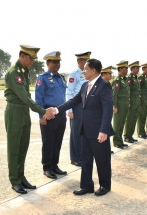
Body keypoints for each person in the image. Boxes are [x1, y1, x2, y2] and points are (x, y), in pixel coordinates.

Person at [54, 58, 114, 196]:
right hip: (85, 130)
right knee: (86, 160)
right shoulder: (85, 85)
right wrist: (57, 110)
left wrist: (104, 130)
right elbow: (73, 101)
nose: (83, 71)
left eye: (86, 69)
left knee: (102, 160)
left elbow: (108, 109)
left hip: (99, 131)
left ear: (93, 70)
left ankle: (105, 185)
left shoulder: (104, 85)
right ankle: (86, 186)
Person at [4, 44, 55, 194]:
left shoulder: (24, 71)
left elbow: (26, 98)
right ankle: (14, 180)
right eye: (31, 58)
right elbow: (25, 97)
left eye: (34, 58)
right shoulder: (14, 72)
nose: (33, 61)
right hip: (14, 111)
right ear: (22, 56)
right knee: (14, 148)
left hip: (24, 111)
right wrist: (43, 111)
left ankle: (21, 176)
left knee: (23, 146)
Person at [35, 51, 67, 179]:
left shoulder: (61, 78)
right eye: (54, 62)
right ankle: (47, 167)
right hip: (48, 114)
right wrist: (41, 116)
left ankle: (55, 165)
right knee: (48, 141)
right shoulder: (42, 78)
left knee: (57, 141)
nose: (57, 64)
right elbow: (38, 99)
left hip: (61, 113)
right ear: (47, 63)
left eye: (58, 62)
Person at [66, 52, 91, 167]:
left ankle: (82, 155)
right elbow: (69, 92)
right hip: (76, 106)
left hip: (86, 105)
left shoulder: (89, 74)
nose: (87, 63)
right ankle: (75, 158)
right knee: (75, 132)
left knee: (84, 132)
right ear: (79, 62)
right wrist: (70, 110)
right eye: (85, 61)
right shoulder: (74, 74)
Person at [111, 61, 130, 149]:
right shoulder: (117, 80)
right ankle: (116, 141)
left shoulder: (124, 80)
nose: (127, 70)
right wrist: (115, 106)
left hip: (125, 102)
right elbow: (114, 94)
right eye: (126, 68)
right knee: (117, 123)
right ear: (121, 69)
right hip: (119, 103)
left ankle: (120, 140)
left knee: (122, 122)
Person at [124, 61, 141, 143]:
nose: (138, 70)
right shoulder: (129, 78)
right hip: (132, 100)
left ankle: (130, 135)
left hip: (137, 100)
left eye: (138, 68)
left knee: (134, 118)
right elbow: (128, 90)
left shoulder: (135, 78)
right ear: (132, 69)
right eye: (137, 68)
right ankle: (127, 136)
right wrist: (129, 101)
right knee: (130, 119)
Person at [101, 66, 114, 154]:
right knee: (103, 130)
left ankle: (107, 149)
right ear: (104, 74)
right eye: (109, 73)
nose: (111, 75)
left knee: (107, 129)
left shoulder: (107, 83)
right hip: (102, 111)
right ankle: (104, 150)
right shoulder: (102, 84)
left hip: (107, 110)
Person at [137, 62, 147, 138]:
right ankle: (140, 132)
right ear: (143, 69)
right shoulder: (141, 77)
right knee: (141, 116)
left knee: (144, 116)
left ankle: (143, 132)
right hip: (142, 98)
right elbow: (138, 88)